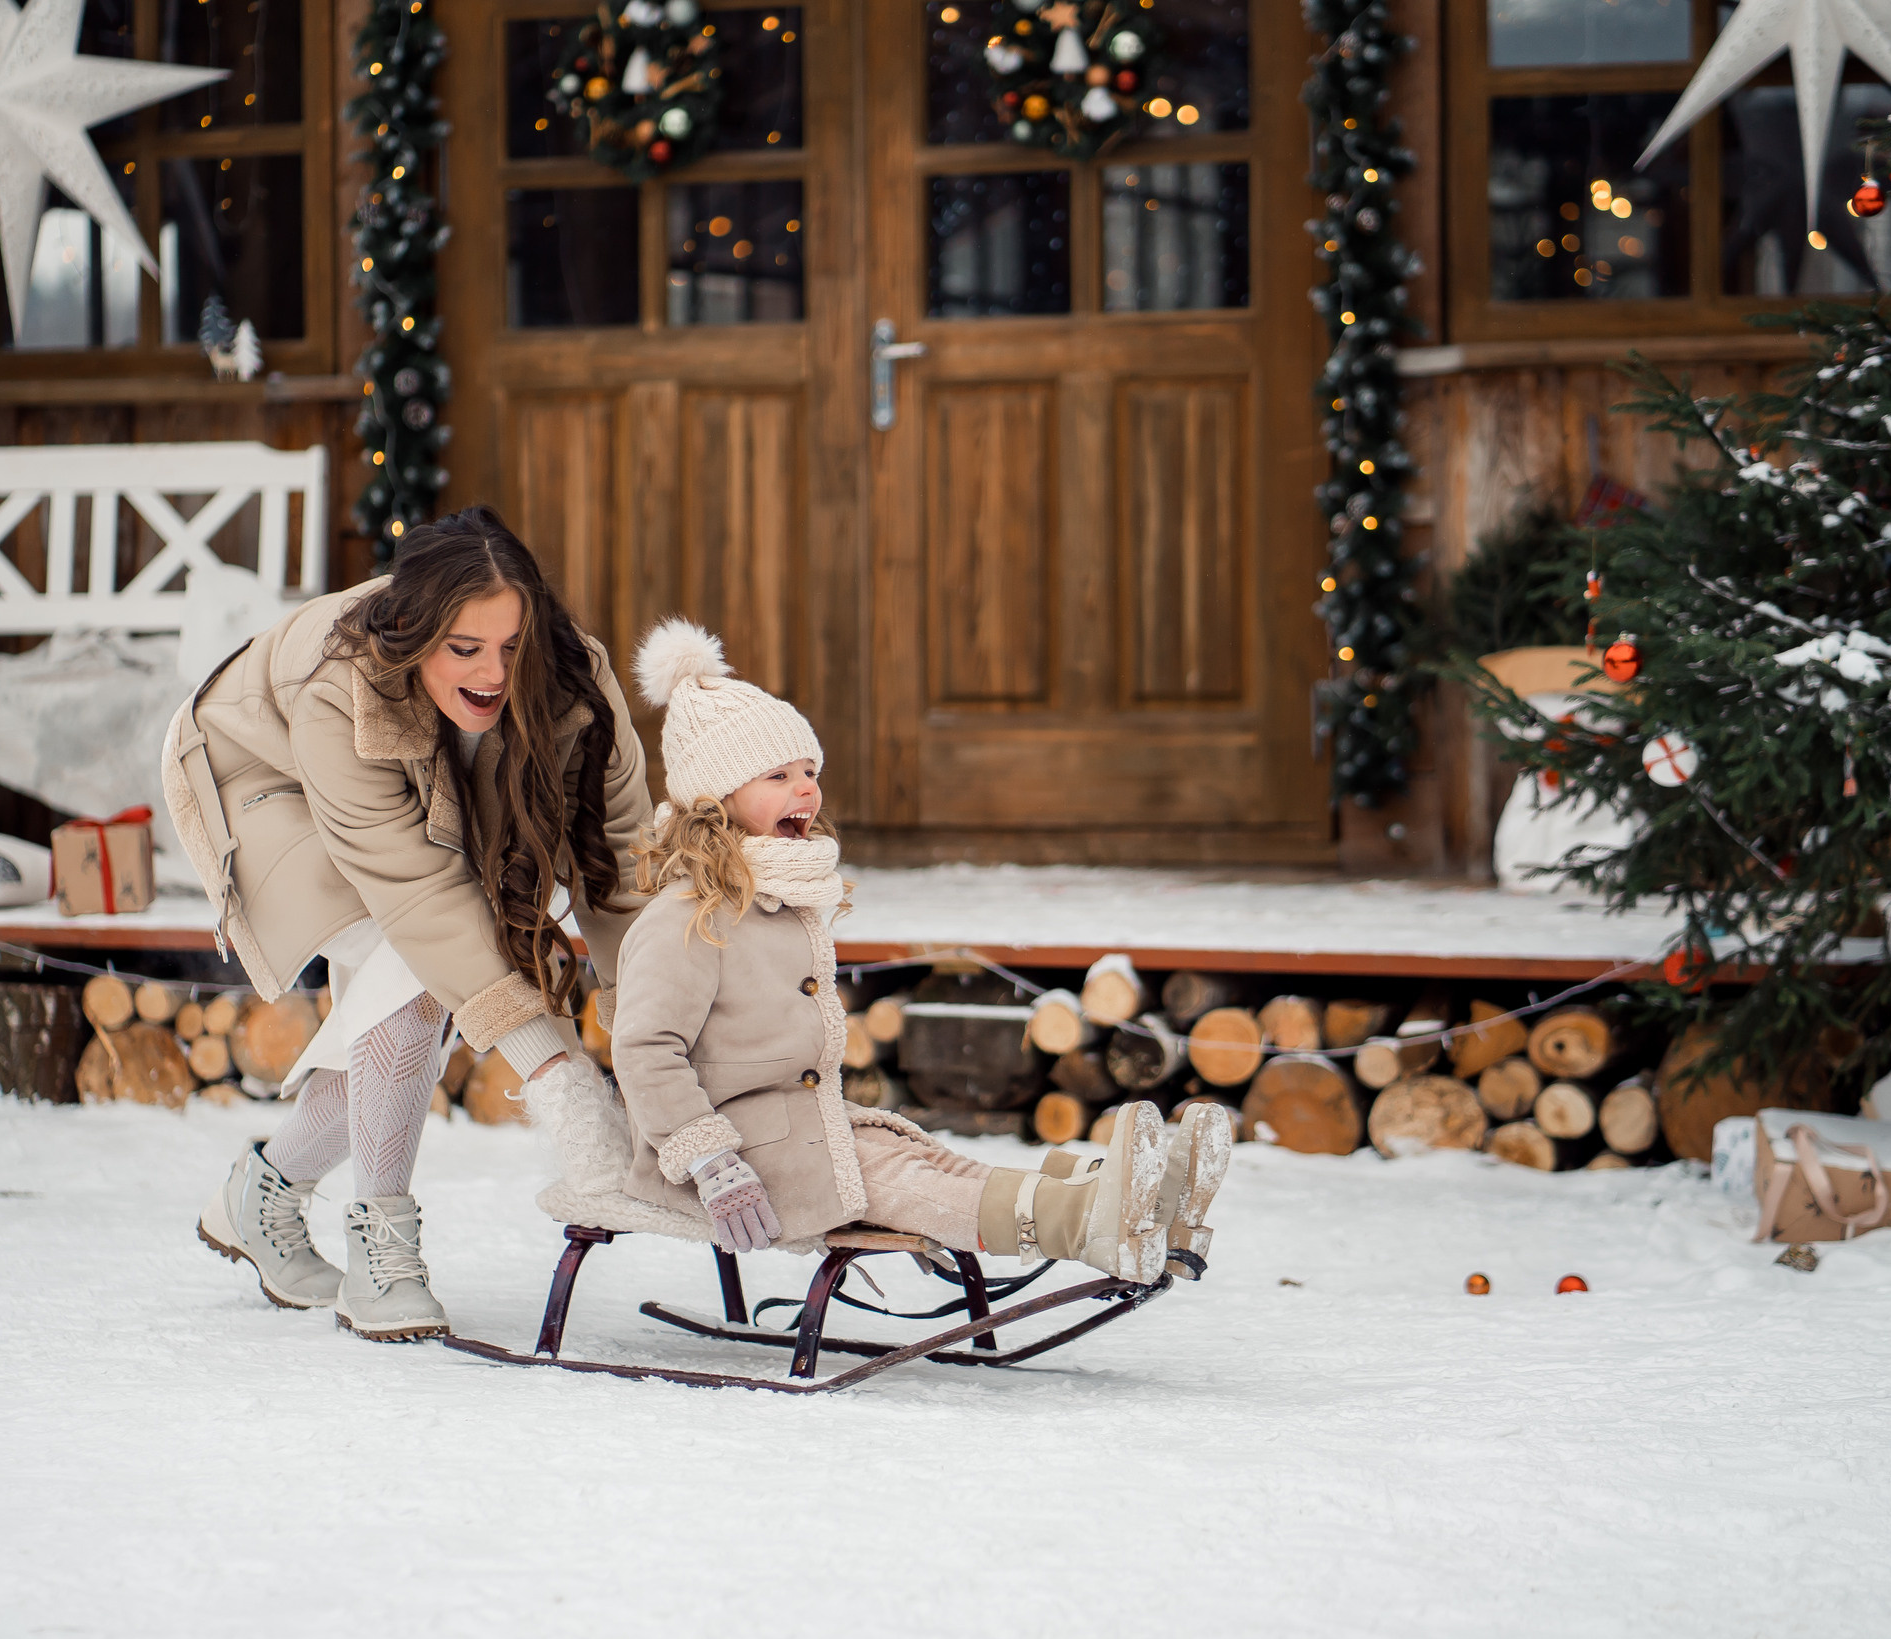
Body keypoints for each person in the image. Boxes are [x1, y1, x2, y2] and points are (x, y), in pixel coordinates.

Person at [607, 621, 1230, 1277]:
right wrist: (710, 1160)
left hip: (798, 1127)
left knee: (932, 1161)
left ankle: (1134, 1204)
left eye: (811, 771)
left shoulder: (777, 898)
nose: (807, 789)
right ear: (716, 798)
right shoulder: (686, 917)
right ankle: (1086, 1222)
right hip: (737, 1160)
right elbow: (644, 1047)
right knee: (907, 1182)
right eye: (779, 775)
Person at [162, 508, 650, 1342]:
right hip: (254, 771)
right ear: (416, 634)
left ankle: (264, 1191)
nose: (495, 672)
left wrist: (653, 1022)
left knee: (437, 977)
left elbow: (622, 856)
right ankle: (379, 1246)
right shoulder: (339, 689)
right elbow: (423, 899)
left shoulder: (575, 678)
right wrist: (556, 1073)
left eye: (513, 646)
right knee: (422, 960)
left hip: (416, 782)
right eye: (465, 647)